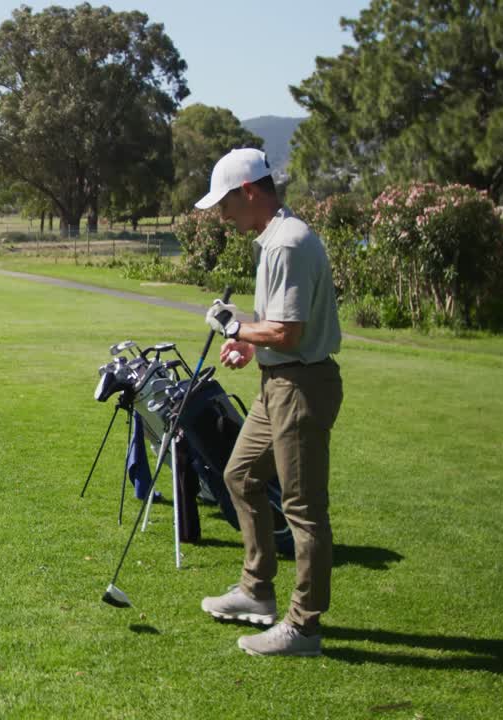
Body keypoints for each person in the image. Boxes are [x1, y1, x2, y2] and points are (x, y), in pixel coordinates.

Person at [194, 148, 343, 657]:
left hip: (301, 387)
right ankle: (256, 592)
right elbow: (276, 330)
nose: (222, 214)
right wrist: (248, 342)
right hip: (278, 382)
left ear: (250, 191)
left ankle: (303, 627)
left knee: (303, 510)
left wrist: (236, 327)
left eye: (225, 203)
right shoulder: (272, 240)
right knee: (239, 476)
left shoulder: (286, 244)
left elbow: (290, 331)